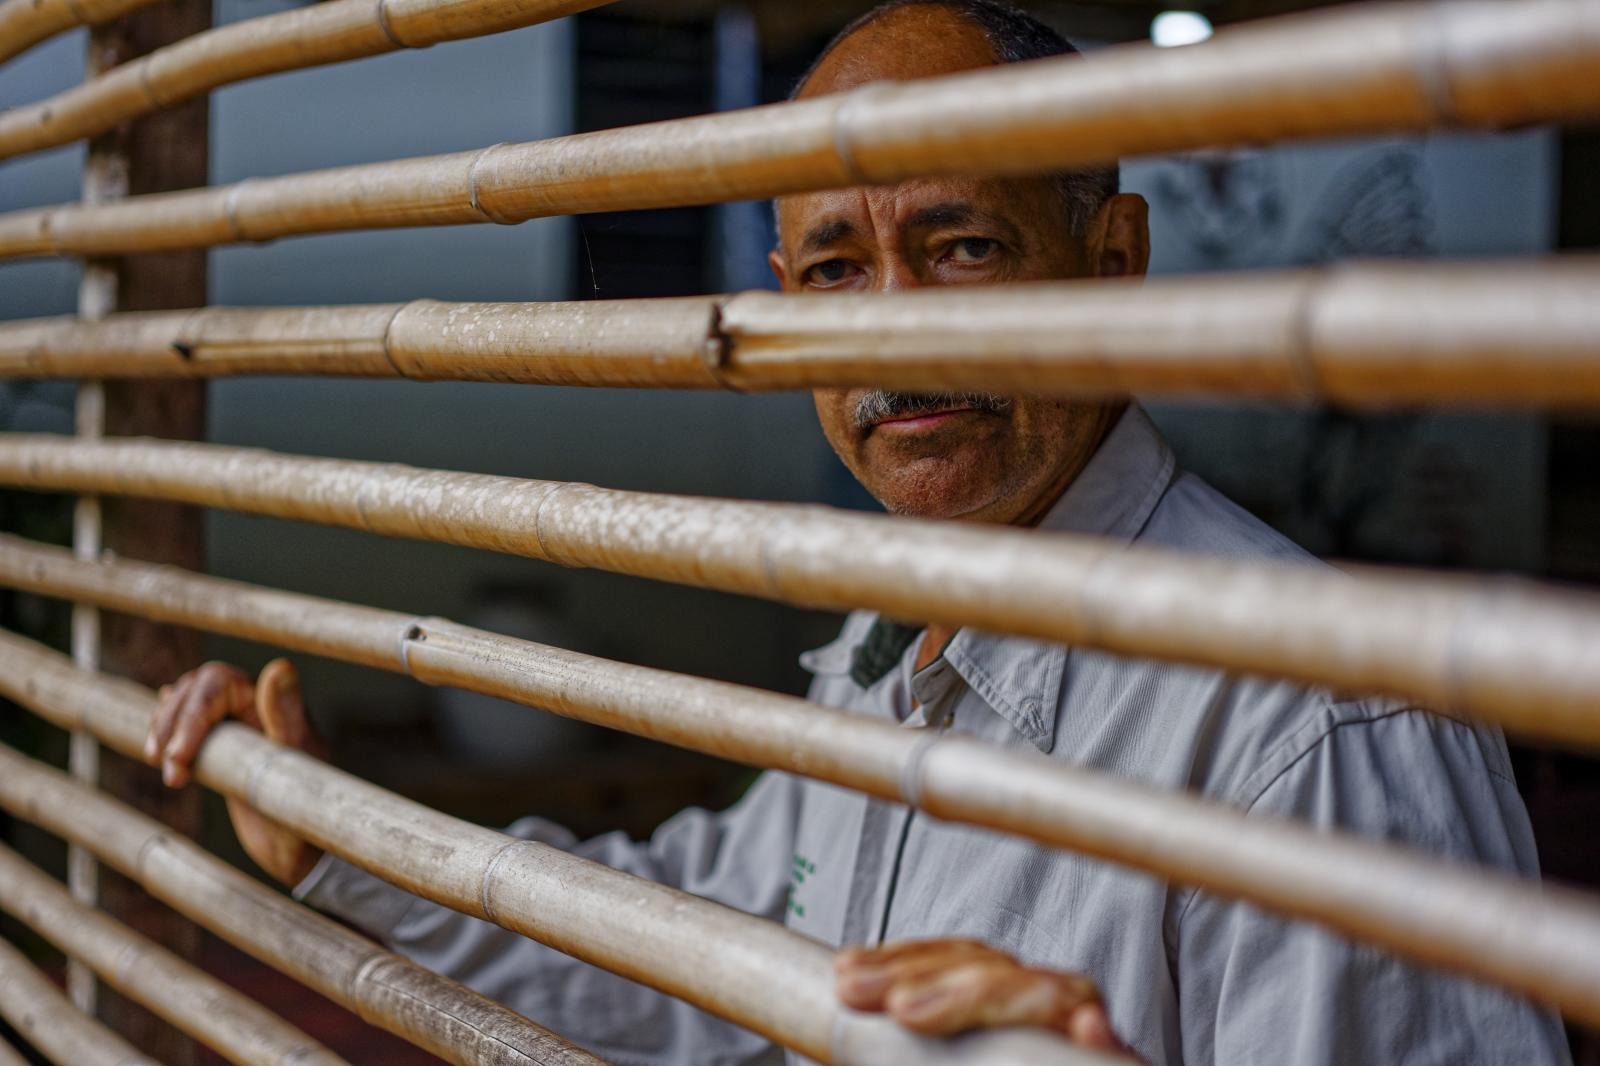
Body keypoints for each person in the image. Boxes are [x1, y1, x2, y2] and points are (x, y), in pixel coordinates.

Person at [145, 2, 1570, 1063]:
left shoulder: (1309, 720)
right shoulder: (884, 643)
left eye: (961, 249)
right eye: (836, 268)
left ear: (1114, 265)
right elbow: (692, 947)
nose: (886, 325)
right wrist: (338, 836)